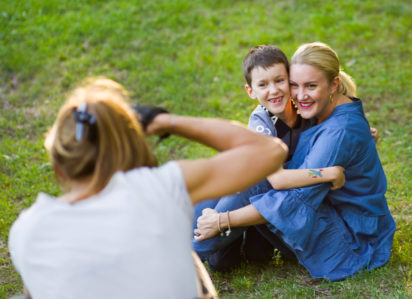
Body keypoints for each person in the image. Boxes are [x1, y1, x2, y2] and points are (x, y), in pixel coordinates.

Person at [7, 77, 288, 299]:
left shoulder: (27, 230)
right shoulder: (159, 189)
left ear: (59, 167)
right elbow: (269, 151)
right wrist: (166, 122)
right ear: (131, 149)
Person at [194, 42, 396, 281]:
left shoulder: (336, 129)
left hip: (350, 243)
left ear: (333, 84)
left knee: (255, 175)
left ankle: (192, 254)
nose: (300, 96)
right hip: (343, 221)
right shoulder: (328, 108)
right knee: (240, 170)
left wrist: (222, 221)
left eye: (310, 85)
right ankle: (191, 238)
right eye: (295, 85)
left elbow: (294, 199)